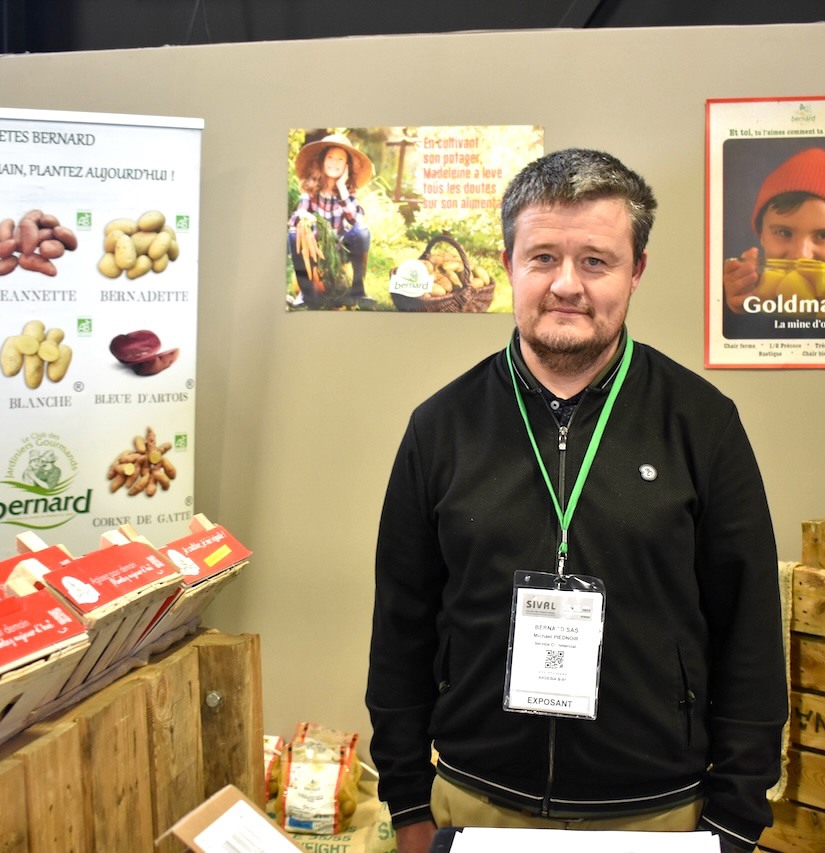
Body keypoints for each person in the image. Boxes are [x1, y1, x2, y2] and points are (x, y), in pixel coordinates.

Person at [367, 148, 787, 853]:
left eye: (595, 261)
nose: (567, 284)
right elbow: (400, 627)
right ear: (509, 264)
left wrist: (735, 818)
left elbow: (749, 629)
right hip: (474, 804)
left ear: (636, 270)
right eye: (543, 258)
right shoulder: (441, 428)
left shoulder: (702, 424)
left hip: (659, 815)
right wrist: (407, 798)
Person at [721, 146, 825, 338]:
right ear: (762, 236)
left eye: (823, 235)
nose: (801, 255)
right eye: (783, 232)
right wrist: (732, 310)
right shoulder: (744, 289)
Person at [288, 132, 375, 309]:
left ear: (346, 166)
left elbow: (354, 220)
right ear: (322, 160)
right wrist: (304, 216)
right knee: (293, 233)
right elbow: (298, 216)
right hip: (315, 250)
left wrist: (342, 187)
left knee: (362, 231)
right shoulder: (311, 187)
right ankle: (307, 294)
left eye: (340, 159)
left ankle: (358, 292)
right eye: (330, 157)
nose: (335, 163)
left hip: (340, 248)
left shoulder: (348, 190)